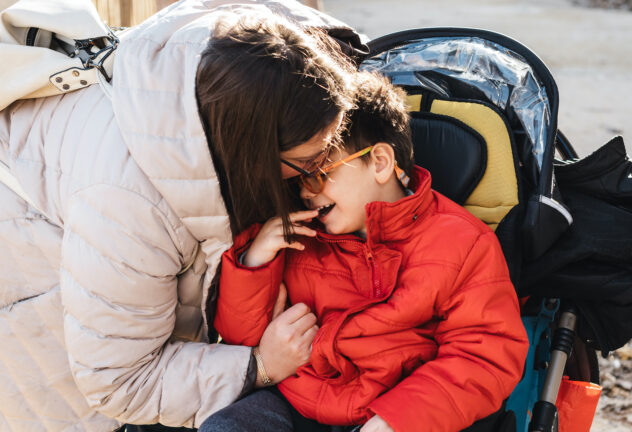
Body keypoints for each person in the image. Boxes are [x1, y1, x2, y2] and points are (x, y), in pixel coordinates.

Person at [0, 1, 364, 430]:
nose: (319, 175)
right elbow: (120, 382)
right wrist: (260, 365)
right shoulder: (128, 205)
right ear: (253, 156)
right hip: (36, 292)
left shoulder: (226, 53)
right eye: (310, 161)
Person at [203, 72, 530, 432]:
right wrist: (255, 261)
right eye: (297, 181)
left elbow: (483, 354)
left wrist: (398, 419)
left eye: (317, 174)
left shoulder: (462, 243)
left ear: (379, 162)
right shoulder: (299, 237)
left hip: (401, 412)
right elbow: (239, 340)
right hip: (299, 402)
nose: (306, 193)